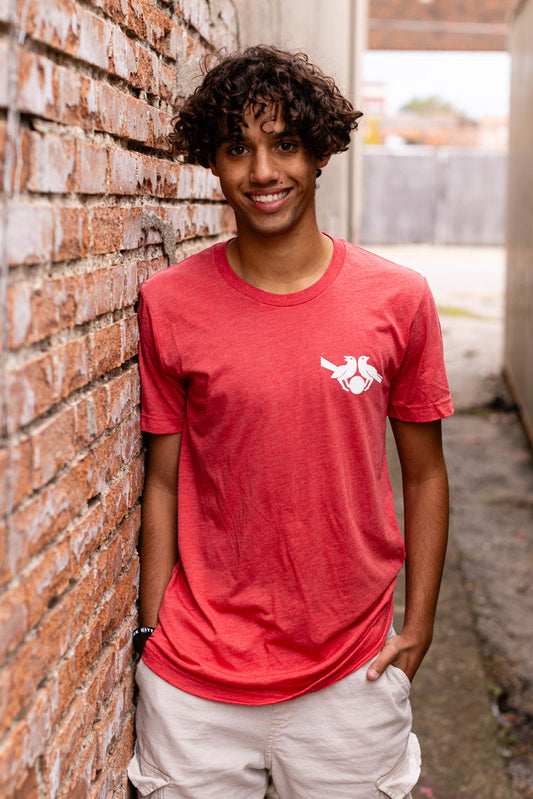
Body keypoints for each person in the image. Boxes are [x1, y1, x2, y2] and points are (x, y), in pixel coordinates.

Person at [127, 45, 453, 799]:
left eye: (284, 144)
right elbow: (164, 483)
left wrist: (420, 624)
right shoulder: (170, 303)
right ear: (213, 162)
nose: (262, 172)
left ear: (320, 153)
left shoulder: (397, 299)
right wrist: (151, 637)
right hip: (195, 682)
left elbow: (426, 471)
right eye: (238, 148)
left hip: (351, 672)